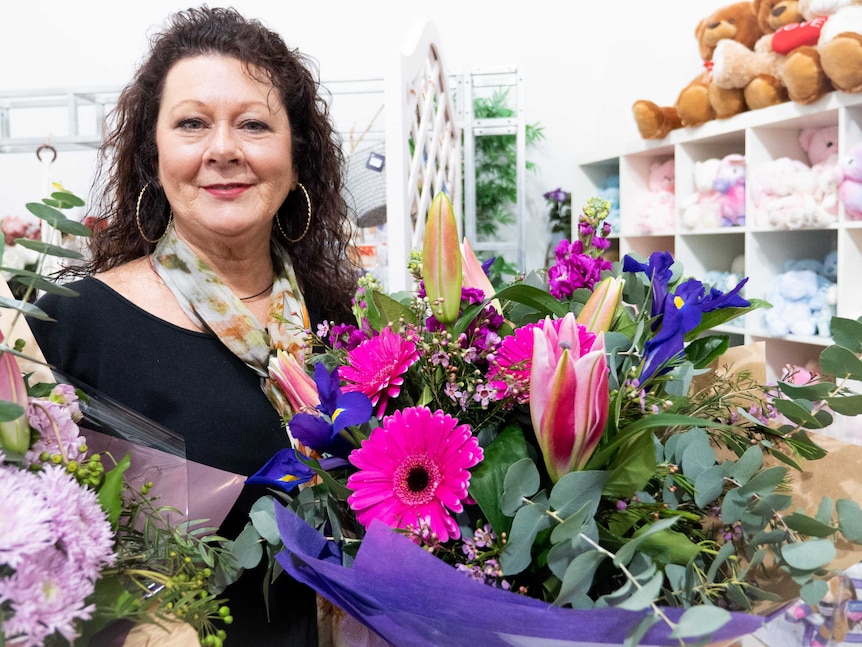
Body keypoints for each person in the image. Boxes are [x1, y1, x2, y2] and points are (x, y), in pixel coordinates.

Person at [28, 5, 359, 645]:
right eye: (192, 124)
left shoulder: (350, 330)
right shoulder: (67, 331)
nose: (224, 149)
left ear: (297, 161)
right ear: (154, 156)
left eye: (254, 124)